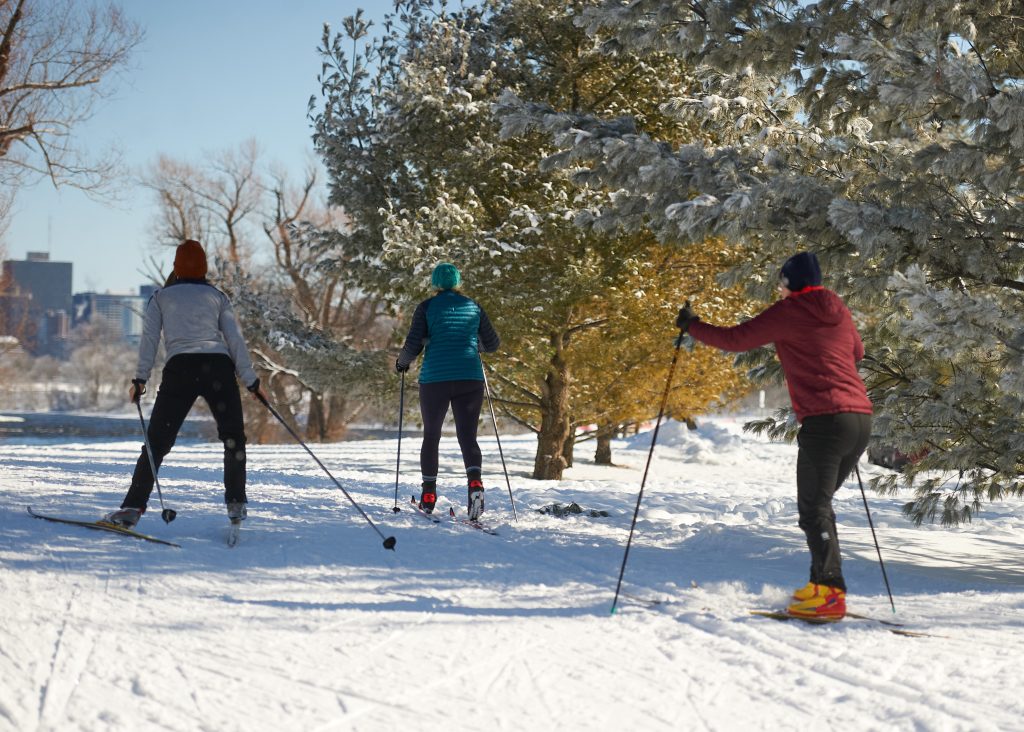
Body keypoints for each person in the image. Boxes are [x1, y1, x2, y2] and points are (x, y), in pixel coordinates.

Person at [676, 251, 873, 619]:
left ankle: (830, 593)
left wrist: (692, 326)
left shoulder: (790, 310)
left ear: (788, 284)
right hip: (858, 420)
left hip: (826, 421)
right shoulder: (838, 310)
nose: (779, 291)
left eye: (781, 284)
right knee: (820, 505)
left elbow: (736, 339)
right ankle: (820, 584)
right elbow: (858, 352)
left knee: (814, 510)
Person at [103, 239, 266, 529]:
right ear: (204, 268)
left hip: (181, 371)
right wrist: (252, 382)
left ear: (176, 267)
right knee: (233, 437)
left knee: (156, 444)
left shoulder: (161, 298)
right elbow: (235, 342)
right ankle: (236, 502)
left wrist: (140, 380)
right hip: (219, 369)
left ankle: (131, 507)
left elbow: (150, 341)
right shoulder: (218, 297)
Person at [396, 262, 500, 520]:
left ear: (435, 284)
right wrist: (472, 343)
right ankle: (475, 484)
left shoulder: (427, 307)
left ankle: (429, 493)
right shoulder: (473, 306)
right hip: (470, 377)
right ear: (458, 282)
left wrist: (402, 362)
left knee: (432, 435)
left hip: (435, 379)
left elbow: (413, 343)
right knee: (468, 437)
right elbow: (493, 344)